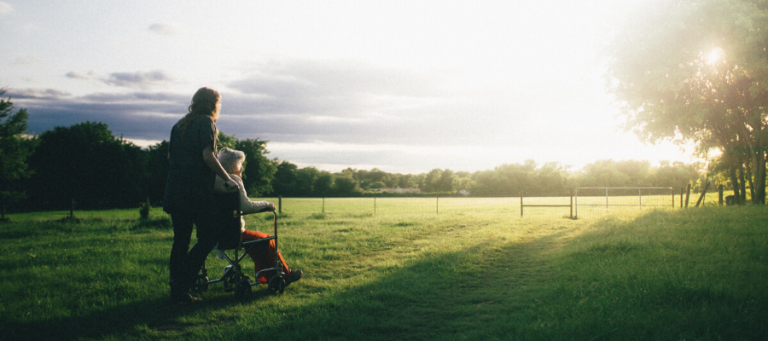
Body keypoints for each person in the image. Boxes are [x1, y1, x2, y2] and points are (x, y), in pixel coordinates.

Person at [163, 87, 238, 303]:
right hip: (195, 193)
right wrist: (227, 178)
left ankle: (177, 292)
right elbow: (208, 156)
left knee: (181, 241)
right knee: (208, 238)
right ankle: (181, 281)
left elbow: (171, 157)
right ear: (213, 104)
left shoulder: (178, 126)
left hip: (174, 190)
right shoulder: (206, 122)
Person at [213, 147, 303, 285]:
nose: (242, 169)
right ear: (233, 165)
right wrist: (267, 204)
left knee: (256, 241)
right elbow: (247, 207)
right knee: (266, 239)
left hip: (214, 234)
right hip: (233, 234)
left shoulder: (213, 180)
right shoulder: (234, 180)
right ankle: (285, 274)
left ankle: (267, 276)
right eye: (240, 165)